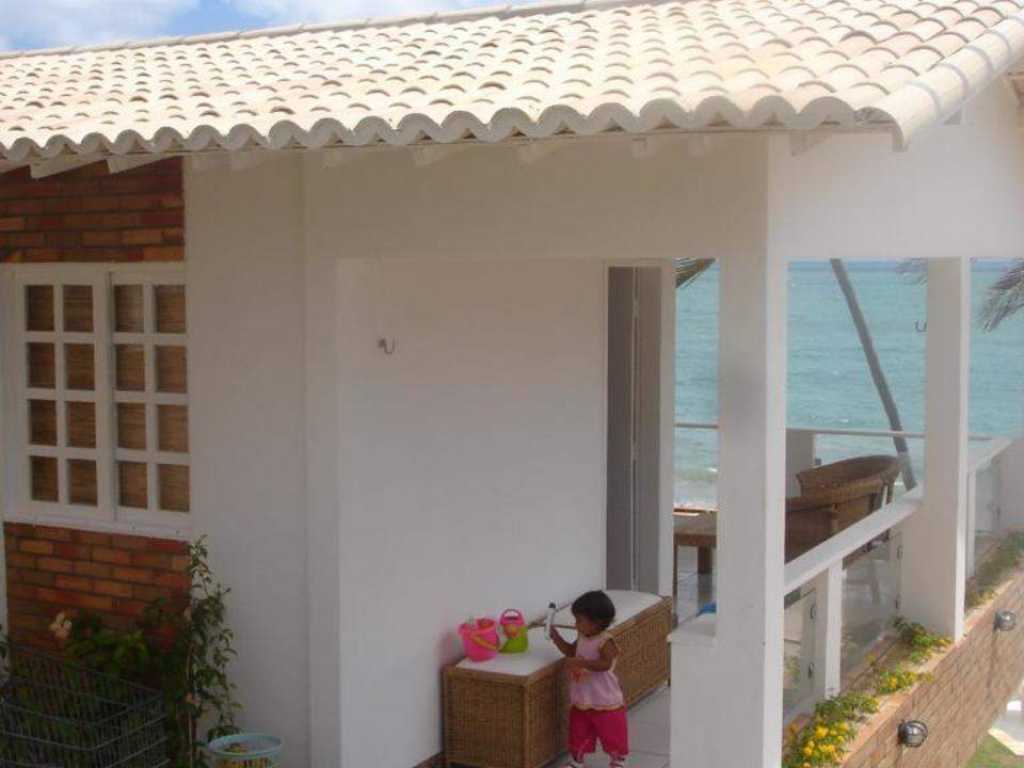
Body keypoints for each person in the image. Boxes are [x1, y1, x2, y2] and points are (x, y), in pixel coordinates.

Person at [550, 590, 628, 768]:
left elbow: (606, 664)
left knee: (612, 732)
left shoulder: (605, 641)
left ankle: (618, 760)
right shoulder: (583, 637)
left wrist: (582, 663)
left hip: (605, 699)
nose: (575, 624)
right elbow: (571, 651)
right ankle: (577, 761)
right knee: (579, 731)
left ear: (596, 622)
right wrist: (557, 638)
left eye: (579, 620)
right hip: (583, 697)